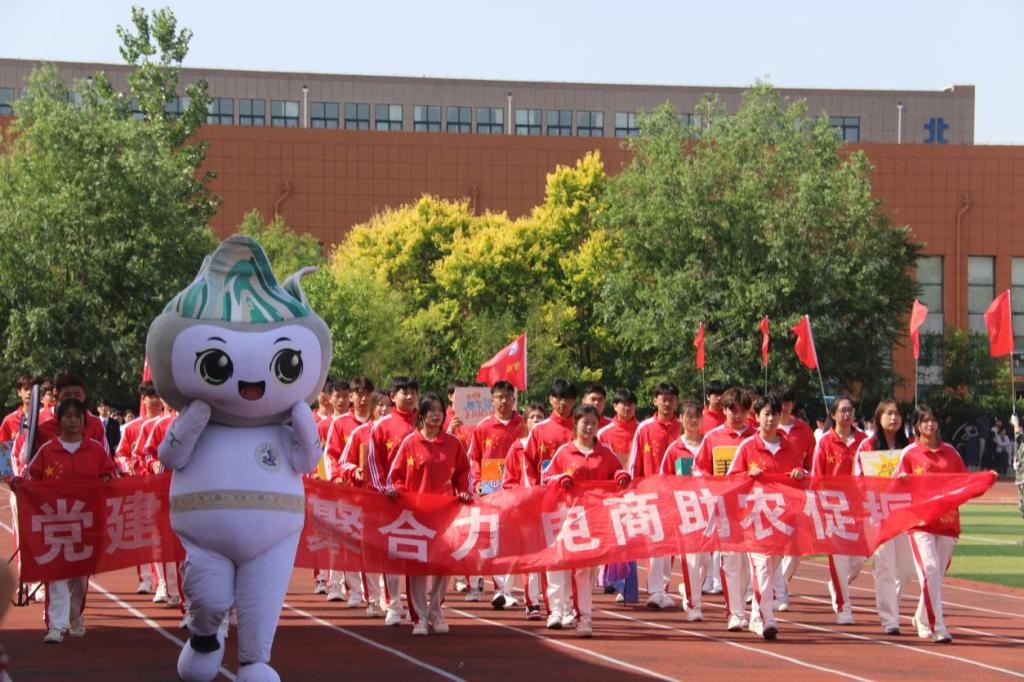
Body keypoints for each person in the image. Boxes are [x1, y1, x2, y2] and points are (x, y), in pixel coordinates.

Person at [23, 398, 116, 643]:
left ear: (84, 420)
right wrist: (21, 486)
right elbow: (31, 476)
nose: (73, 421)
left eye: (77, 416)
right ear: (59, 420)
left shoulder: (95, 449)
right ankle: (56, 625)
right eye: (68, 416)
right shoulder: (48, 450)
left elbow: (110, 472)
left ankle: (74, 616)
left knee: (80, 577)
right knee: (56, 574)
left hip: (87, 523)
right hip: (56, 522)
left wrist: (107, 480)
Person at [387, 392, 471, 636]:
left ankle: (436, 611)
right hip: (416, 516)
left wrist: (464, 491)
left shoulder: (453, 444)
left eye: (440, 410)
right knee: (417, 566)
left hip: (446, 515)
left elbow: (464, 474)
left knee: (444, 564)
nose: (437, 414)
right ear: (422, 415)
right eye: (431, 410)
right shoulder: (410, 443)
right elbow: (395, 476)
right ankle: (419, 617)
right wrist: (400, 494)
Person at [543, 404, 630, 637]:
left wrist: (620, 476)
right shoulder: (565, 452)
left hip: (595, 519)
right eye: (585, 423)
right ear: (576, 424)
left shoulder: (605, 453)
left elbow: (616, 471)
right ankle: (567, 613)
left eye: (593, 423)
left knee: (587, 570)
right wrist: (560, 479)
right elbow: (547, 477)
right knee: (564, 565)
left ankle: (580, 612)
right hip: (568, 518)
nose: (590, 427)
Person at [727, 394, 806, 641]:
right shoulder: (748, 447)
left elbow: (801, 474)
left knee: (770, 569)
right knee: (761, 567)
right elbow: (731, 478)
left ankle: (755, 617)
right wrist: (747, 475)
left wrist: (799, 473)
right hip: (755, 519)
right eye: (766, 414)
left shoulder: (790, 447)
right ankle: (766, 619)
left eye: (775, 414)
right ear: (757, 417)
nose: (771, 419)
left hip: (781, 519)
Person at [896, 404, 965, 643]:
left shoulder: (951, 453)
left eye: (933, 420)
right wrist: (902, 481)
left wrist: (985, 478)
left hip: (947, 522)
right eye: (924, 420)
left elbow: (964, 481)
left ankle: (921, 617)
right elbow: (895, 485)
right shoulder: (909, 453)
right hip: (920, 522)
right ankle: (938, 626)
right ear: (916, 425)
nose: (930, 424)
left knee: (936, 575)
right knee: (930, 569)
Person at [694, 388, 753, 630]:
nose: (737, 415)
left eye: (742, 410)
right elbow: (698, 469)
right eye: (732, 410)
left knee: (748, 564)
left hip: (752, 510)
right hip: (725, 509)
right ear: (725, 410)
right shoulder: (713, 438)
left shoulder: (755, 437)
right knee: (730, 561)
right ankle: (735, 612)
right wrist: (713, 486)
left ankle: (745, 607)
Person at [855, 399, 913, 634]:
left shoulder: (910, 447)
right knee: (884, 565)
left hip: (904, 513)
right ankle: (890, 620)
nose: (893, 418)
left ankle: (892, 603)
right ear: (878, 417)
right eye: (888, 413)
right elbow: (858, 480)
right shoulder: (867, 446)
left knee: (907, 571)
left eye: (897, 414)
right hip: (877, 513)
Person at [466, 380, 525, 607]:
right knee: (490, 537)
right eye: (499, 397)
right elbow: (473, 457)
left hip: (515, 488)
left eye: (508, 397)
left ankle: (504, 589)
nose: (504, 401)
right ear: (492, 400)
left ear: (514, 399)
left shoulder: (522, 425)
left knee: (510, 539)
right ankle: (487, 585)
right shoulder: (483, 427)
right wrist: (478, 482)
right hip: (490, 489)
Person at [811, 394, 867, 625]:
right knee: (839, 558)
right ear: (833, 415)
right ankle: (844, 608)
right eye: (843, 410)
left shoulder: (864, 440)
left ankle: (837, 583)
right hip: (833, 507)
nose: (847, 414)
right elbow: (817, 475)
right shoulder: (825, 442)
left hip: (859, 507)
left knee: (861, 557)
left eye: (850, 410)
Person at [368, 376, 420, 626]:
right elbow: (374, 461)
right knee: (391, 554)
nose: (409, 397)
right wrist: (384, 489)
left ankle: (417, 608)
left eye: (413, 392)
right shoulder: (381, 426)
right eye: (403, 392)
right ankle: (393, 606)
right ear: (392, 396)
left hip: (421, 500)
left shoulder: (425, 421)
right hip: (391, 500)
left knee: (418, 555)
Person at [627, 382, 680, 610]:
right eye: (663, 399)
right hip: (651, 495)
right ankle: (656, 589)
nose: (667, 403)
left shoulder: (682, 427)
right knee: (656, 541)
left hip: (677, 496)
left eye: (671, 399)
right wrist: (632, 490)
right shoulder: (645, 428)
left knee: (672, 545)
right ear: (655, 401)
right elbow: (634, 461)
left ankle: (662, 588)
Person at [501, 402, 548, 620]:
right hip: (525, 510)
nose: (536, 421)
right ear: (525, 422)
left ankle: (554, 604)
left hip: (549, 508)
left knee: (550, 557)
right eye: (532, 418)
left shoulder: (550, 445)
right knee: (531, 557)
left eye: (540, 418)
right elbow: (508, 480)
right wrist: (519, 498)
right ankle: (532, 602)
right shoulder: (517, 447)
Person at [771, 385, 816, 611]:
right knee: (775, 545)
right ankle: (777, 591)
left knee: (797, 548)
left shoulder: (804, 430)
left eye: (787, 402)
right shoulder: (767, 427)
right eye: (780, 403)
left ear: (793, 404)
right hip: (771, 497)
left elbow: (811, 463)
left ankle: (780, 584)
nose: (784, 407)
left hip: (798, 495)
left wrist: (803, 473)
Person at [661, 400, 706, 620]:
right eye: (688, 416)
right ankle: (693, 604)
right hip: (685, 512)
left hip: (708, 510)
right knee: (691, 559)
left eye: (697, 416)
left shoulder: (708, 445)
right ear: (681, 419)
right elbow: (664, 480)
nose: (693, 420)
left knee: (706, 561)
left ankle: (691, 591)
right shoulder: (674, 449)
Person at [33, 371, 109, 453]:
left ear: (84, 396)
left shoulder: (95, 425)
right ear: (56, 395)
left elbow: (104, 456)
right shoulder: (43, 428)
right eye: (67, 395)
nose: (72, 399)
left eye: (77, 395)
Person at [521, 379, 576, 486]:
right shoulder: (538, 430)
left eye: (567, 398)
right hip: (545, 491)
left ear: (574, 401)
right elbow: (528, 463)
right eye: (559, 397)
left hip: (576, 491)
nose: (563, 402)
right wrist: (534, 489)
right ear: (551, 399)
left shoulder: (582, 429)